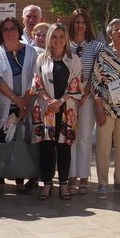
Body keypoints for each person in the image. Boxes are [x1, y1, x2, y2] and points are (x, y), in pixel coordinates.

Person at [31, 22, 82, 200]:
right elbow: (37, 84)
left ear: (66, 39)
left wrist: (60, 101)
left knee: (64, 148)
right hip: (47, 110)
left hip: (66, 109)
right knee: (46, 148)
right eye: (54, 36)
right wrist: (48, 101)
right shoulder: (41, 59)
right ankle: (46, 185)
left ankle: (63, 186)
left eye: (61, 37)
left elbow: (77, 85)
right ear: (49, 39)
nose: (58, 40)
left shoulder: (73, 59)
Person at [0, 16, 37, 195]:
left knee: (21, 140)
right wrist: (16, 100)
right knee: (1, 141)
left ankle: (19, 180)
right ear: (1, 33)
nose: (9, 32)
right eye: (5, 29)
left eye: (13, 28)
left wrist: (26, 101)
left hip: (27, 104)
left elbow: (35, 77)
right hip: (5, 104)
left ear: (19, 30)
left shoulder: (31, 52)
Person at [92, 18, 120, 196]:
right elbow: (96, 82)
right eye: (116, 29)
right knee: (103, 146)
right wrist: (99, 108)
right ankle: (102, 183)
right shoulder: (104, 54)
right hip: (106, 107)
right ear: (110, 33)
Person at [67, 9, 104, 195]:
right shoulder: (65, 45)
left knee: (85, 137)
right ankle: (71, 175)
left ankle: (83, 177)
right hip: (69, 98)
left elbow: (97, 72)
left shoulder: (96, 46)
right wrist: (73, 93)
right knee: (70, 137)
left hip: (87, 98)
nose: (80, 25)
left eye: (83, 22)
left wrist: (85, 92)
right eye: (76, 22)